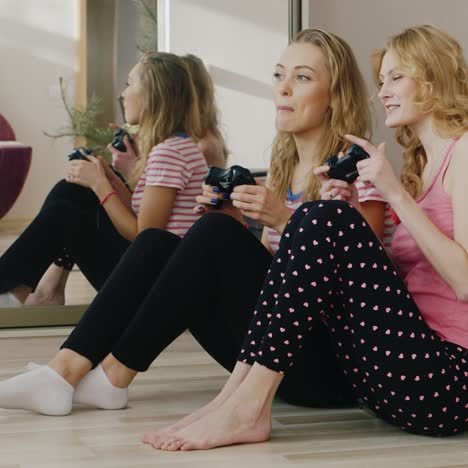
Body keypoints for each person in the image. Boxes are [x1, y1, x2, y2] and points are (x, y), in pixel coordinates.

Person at [0, 29, 388, 417]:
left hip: (327, 369)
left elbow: (361, 286)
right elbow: (276, 275)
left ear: (335, 94)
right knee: (158, 242)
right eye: (278, 75)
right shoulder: (285, 169)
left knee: (206, 234)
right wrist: (232, 219)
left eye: (302, 77)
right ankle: (70, 373)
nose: (283, 88)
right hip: (268, 352)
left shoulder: (357, 173)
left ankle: (104, 376)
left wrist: (282, 220)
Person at [146, 24, 468, 451]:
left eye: (396, 77)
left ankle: (248, 407)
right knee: (325, 215)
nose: (382, 92)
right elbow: (402, 282)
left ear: (433, 78)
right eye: (381, 80)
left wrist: (390, 195)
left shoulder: (463, 152)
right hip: (390, 376)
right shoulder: (419, 165)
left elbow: (464, 282)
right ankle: (234, 397)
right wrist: (350, 217)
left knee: (325, 215)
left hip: (444, 383)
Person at [0, 51, 207, 308]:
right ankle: (13, 285)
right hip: (155, 271)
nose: (123, 94)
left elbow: (145, 236)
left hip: (153, 287)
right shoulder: (174, 147)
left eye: (130, 84)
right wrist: (107, 177)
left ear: (152, 95)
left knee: (68, 207)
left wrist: (100, 184)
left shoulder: (170, 153)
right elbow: (145, 217)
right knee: (71, 191)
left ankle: (10, 286)